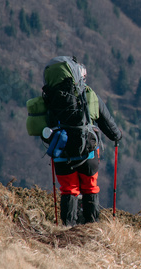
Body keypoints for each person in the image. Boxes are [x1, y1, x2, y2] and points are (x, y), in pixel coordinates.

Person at [40, 56, 122, 225]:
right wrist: (116, 136)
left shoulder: (48, 98)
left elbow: (40, 129)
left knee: (69, 189)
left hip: (62, 152)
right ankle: (92, 227)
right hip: (89, 152)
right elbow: (108, 123)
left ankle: (67, 229)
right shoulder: (89, 95)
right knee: (90, 187)